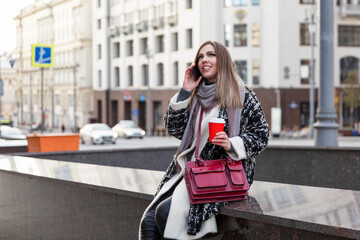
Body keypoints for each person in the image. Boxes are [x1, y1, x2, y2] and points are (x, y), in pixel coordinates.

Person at [139, 40, 269, 239]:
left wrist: (231, 143)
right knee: (148, 220)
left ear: (223, 61)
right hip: (190, 169)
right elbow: (175, 129)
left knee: (165, 214)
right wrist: (185, 91)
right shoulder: (196, 95)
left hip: (222, 173)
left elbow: (261, 134)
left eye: (210, 55)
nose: (204, 60)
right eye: (200, 57)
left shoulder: (241, 95)